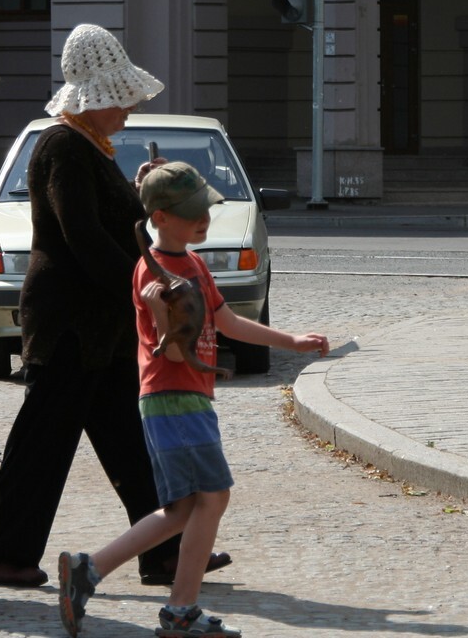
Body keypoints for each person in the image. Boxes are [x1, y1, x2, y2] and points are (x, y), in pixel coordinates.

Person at [0, 24, 227, 589]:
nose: (130, 106)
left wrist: (140, 195)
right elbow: (81, 235)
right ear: (96, 97)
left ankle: (166, 550)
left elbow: (111, 225)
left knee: (130, 443)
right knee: (43, 443)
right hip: (69, 325)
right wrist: (148, 286)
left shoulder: (89, 148)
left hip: (99, 325)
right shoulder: (63, 146)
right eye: (122, 96)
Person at [55, 162, 331, 638]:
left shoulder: (194, 264)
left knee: (182, 510)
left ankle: (90, 569)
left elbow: (227, 322)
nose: (203, 219)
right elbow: (170, 350)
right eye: (191, 212)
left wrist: (291, 341)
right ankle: (180, 609)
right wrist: (159, 311)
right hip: (173, 397)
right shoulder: (151, 272)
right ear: (160, 218)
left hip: (186, 399)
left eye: (205, 209)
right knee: (213, 497)